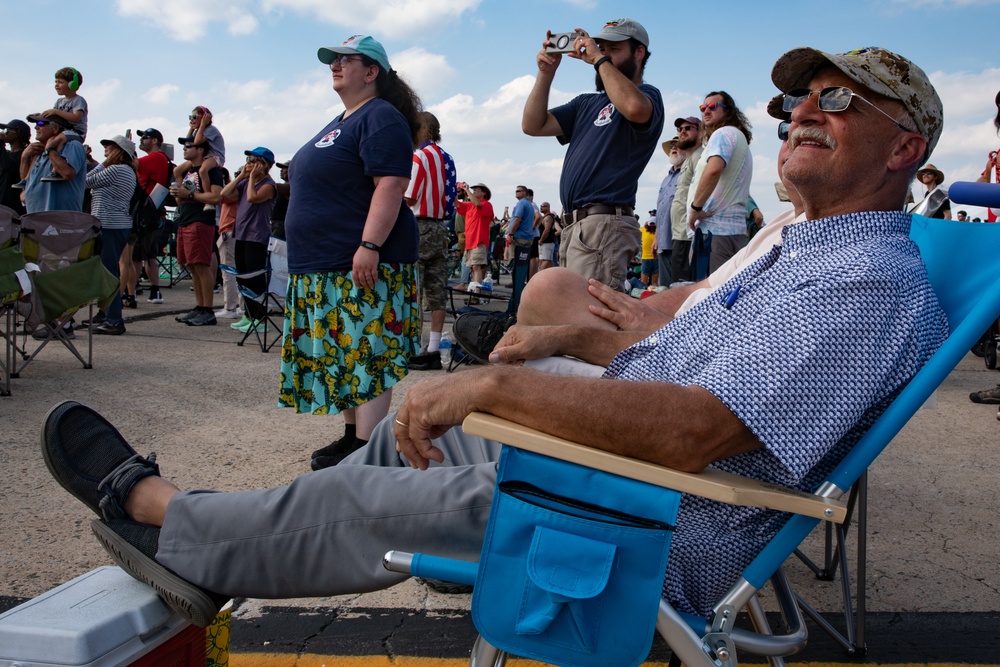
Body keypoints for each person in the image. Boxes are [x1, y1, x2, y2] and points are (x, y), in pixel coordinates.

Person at [43, 45, 948, 631]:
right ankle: (228, 542)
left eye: (840, 101)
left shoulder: (863, 281)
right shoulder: (805, 252)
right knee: (412, 435)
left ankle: (170, 519)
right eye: (799, 98)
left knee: (405, 474)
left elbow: (697, 432)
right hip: (621, 457)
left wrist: (494, 386)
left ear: (904, 149)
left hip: (654, 513)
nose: (803, 112)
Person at [273, 35, 420, 471]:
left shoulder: (381, 117)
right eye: (332, 60)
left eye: (346, 60)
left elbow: (390, 184)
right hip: (324, 263)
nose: (335, 65)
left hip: (359, 259)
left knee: (367, 352)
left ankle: (370, 449)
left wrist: (369, 245)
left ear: (372, 71)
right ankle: (353, 436)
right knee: (341, 353)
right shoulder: (342, 120)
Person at [522, 18, 664, 291]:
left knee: (589, 316)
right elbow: (532, 124)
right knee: (574, 311)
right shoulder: (587, 102)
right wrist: (546, 73)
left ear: (639, 52)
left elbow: (634, 108)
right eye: (601, 46)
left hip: (603, 221)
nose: (604, 52)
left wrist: (599, 58)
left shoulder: (647, 95)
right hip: (578, 224)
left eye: (614, 48)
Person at [405, 111, 457, 371]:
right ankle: (435, 347)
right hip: (440, 226)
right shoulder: (446, 158)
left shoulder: (418, 156)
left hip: (419, 225)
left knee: (414, 288)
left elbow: (410, 196)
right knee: (437, 291)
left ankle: (414, 348)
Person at [687, 91, 754, 274]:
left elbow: (714, 169)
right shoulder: (739, 138)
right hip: (734, 231)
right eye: (703, 107)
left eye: (713, 106)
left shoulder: (722, 134)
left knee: (708, 295)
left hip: (714, 232)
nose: (706, 111)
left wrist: (695, 208)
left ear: (728, 111)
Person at [85, 135, 139, 335]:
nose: (106, 149)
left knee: (108, 273)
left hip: (110, 226)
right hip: (115, 225)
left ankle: (114, 319)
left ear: (120, 151)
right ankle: (106, 313)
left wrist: (102, 164)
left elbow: (85, 181)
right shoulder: (128, 171)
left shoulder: (116, 170)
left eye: (111, 147)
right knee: (108, 272)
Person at [219, 146, 277, 333]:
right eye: (248, 160)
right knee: (243, 277)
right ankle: (249, 315)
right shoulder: (245, 183)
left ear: (264, 165)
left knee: (255, 278)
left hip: (256, 236)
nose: (249, 164)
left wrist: (251, 178)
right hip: (241, 234)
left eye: (253, 160)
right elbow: (224, 195)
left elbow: (253, 198)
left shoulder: (268, 185)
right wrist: (240, 177)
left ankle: (260, 319)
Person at [169, 136, 224, 327]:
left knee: (201, 265)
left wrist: (190, 194)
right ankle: (199, 307)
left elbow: (216, 197)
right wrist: (178, 195)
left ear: (201, 149)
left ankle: (208, 310)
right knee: (191, 265)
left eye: (188, 146)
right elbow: (182, 199)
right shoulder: (188, 171)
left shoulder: (212, 171)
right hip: (185, 219)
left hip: (201, 221)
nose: (184, 149)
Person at [123, 128, 170, 308]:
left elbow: (132, 164)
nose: (142, 140)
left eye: (146, 137)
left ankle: (130, 293)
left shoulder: (156, 157)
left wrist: (127, 147)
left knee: (135, 257)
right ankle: (154, 290)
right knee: (149, 255)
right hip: (154, 213)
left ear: (156, 141)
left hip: (145, 214)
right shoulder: (162, 159)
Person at [20, 114, 86, 214]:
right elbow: (27, 182)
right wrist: (24, 157)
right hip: (35, 221)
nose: (36, 127)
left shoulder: (73, 145)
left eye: (41, 123)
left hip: (60, 222)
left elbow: (67, 173)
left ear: (55, 128)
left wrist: (50, 150)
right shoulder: (39, 152)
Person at [669, 116, 702, 283]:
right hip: (678, 233)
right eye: (680, 129)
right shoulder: (689, 159)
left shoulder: (700, 157)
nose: (682, 131)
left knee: (682, 284)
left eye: (688, 128)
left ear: (701, 131)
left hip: (687, 234)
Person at [173, 107, 225, 204]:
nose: (191, 119)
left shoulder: (211, 129)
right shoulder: (198, 131)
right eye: (190, 117)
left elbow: (196, 142)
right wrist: (191, 128)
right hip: (206, 156)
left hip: (215, 157)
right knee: (177, 170)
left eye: (194, 117)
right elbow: (188, 140)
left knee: (202, 170)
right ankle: (180, 194)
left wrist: (203, 125)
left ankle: (207, 198)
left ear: (204, 117)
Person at [455, 182, 494, 293]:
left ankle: (476, 294)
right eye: (474, 190)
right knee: (474, 268)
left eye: (477, 190)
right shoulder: (470, 205)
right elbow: (457, 204)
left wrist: (467, 190)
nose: (474, 191)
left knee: (476, 267)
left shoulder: (486, 204)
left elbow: (478, 205)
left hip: (478, 241)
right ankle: (476, 292)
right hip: (470, 242)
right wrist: (453, 191)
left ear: (484, 193)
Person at [655, 137, 683, 286]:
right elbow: (660, 209)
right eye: (672, 145)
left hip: (680, 239)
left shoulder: (688, 173)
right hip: (664, 240)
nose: (674, 148)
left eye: (678, 145)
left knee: (678, 285)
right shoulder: (666, 179)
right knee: (664, 286)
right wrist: (656, 238)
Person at [0, 119, 29, 215]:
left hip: (12, 209)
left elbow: (8, 167)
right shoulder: (6, 154)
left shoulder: (25, 155)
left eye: (7, 131)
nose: (4, 133)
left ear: (18, 133)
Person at [537, 201, 557, 271]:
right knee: (549, 261)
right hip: (549, 242)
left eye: (542, 206)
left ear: (547, 207)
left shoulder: (547, 218)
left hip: (546, 242)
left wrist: (541, 240)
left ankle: (540, 277)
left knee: (545, 260)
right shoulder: (548, 217)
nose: (541, 208)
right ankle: (554, 276)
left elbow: (546, 230)